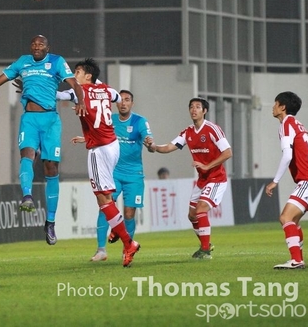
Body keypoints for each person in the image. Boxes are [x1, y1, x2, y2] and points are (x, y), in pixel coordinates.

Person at [0, 35, 86, 246]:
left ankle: (50, 222)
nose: (37, 47)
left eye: (41, 44)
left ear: (48, 47)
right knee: (27, 155)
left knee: (51, 168)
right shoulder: (23, 62)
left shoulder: (56, 61)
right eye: (34, 44)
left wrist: (81, 102)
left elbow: (75, 84)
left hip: (50, 121)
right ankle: (27, 196)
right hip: (29, 119)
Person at [70, 58, 141, 267]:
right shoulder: (106, 90)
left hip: (99, 150)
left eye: (77, 72)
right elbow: (117, 96)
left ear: (87, 76)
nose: (74, 76)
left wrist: (35, 91)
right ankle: (121, 235)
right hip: (112, 145)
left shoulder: (81, 91)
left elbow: (62, 95)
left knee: (103, 200)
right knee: (107, 198)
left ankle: (128, 242)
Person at [144, 97, 232, 259]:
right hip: (202, 180)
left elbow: (228, 152)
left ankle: (205, 251)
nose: (194, 109)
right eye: (191, 107)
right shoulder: (188, 132)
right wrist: (153, 147)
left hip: (216, 178)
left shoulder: (212, 129)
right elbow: (169, 147)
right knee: (192, 216)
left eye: (198, 107)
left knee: (201, 209)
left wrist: (207, 166)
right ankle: (206, 244)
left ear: (204, 111)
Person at [89, 90, 154, 262]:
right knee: (105, 206)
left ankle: (127, 249)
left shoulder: (140, 121)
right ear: (116, 103)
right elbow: (97, 134)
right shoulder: (110, 120)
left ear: (132, 103)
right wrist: (85, 138)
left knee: (129, 213)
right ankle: (101, 250)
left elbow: (148, 139)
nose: (123, 103)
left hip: (134, 174)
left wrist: (150, 143)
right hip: (113, 172)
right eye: (121, 100)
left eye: (127, 100)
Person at [265, 91, 308, 270]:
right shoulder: (295, 123)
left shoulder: (286, 124)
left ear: (282, 107)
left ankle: (296, 260)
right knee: (293, 221)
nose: (273, 107)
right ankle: (299, 259)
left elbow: (287, 155)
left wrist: (275, 181)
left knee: (285, 217)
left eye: (275, 103)